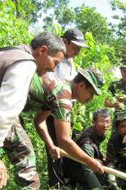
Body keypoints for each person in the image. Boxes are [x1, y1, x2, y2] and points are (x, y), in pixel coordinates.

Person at [0, 32, 66, 189]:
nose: (53, 69)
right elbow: (6, 109)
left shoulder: (9, 52)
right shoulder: (26, 64)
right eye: (55, 62)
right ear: (42, 51)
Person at [29, 67, 105, 188]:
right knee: (27, 166)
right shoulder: (64, 98)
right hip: (1, 106)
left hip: (3, 105)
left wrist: (51, 146)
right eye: (91, 93)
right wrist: (90, 161)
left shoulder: (61, 85)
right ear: (81, 85)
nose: (91, 98)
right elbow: (64, 141)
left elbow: (39, 121)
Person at [44, 28, 90, 187]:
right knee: (56, 147)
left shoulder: (70, 62)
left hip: (66, 110)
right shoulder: (53, 59)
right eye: (75, 47)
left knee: (67, 145)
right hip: (52, 109)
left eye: (79, 48)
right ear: (64, 42)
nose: (77, 51)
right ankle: (55, 183)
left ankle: (66, 179)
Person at [62, 109, 112, 189]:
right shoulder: (87, 143)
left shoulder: (99, 133)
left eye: (107, 121)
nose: (105, 125)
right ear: (94, 122)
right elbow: (88, 171)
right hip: (75, 170)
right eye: (102, 121)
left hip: (84, 162)